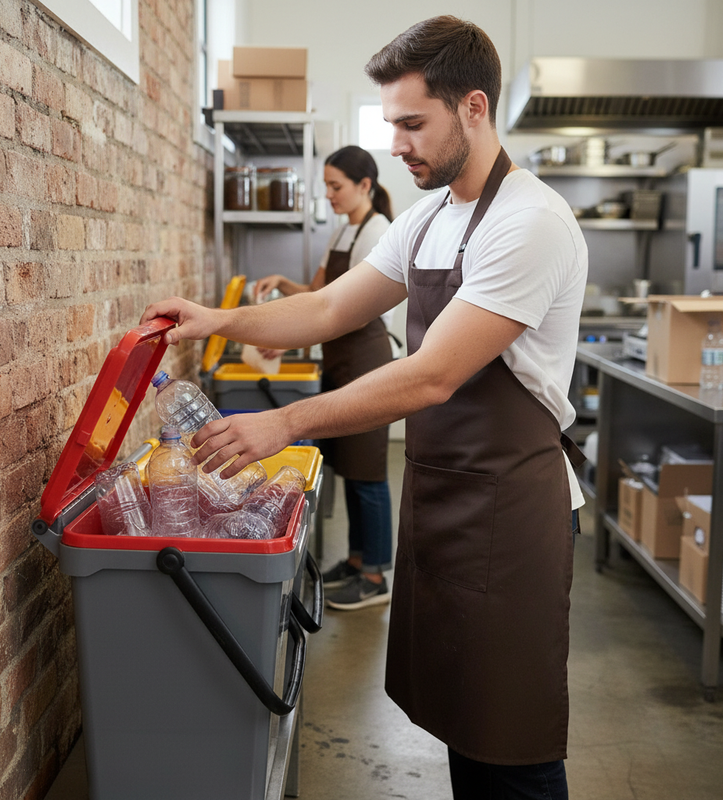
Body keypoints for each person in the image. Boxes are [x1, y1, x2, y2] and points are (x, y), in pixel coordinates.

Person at [141, 15, 588, 800]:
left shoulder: (530, 222)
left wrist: (279, 423)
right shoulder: (428, 216)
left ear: (474, 108)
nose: (398, 145)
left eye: (414, 123)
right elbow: (327, 311)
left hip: (511, 509)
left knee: (509, 740)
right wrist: (220, 320)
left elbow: (431, 377)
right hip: (444, 494)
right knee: (464, 725)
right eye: (392, 125)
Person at [254, 145, 395, 611]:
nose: (329, 195)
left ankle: (375, 576)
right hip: (340, 362)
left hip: (366, 361)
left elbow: (344, 312)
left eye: (336, 186)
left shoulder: (378, 231)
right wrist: (280, 282)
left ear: (364, 186)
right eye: (327, 186)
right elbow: (319, 295)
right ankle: (356, 561)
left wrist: (288, 340)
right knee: (350, 470)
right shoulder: (344, 229)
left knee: (368, 472)